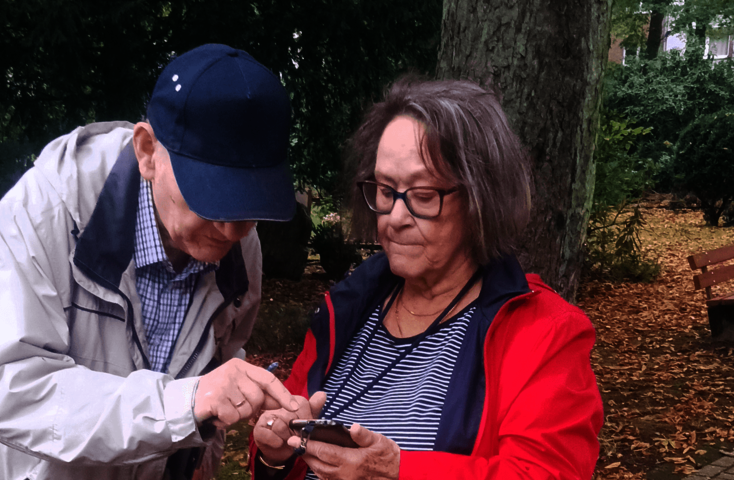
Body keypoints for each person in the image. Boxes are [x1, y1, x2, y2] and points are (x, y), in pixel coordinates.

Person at [0, 44, 305, 480]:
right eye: (214, 198)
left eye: (251, 206)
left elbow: (216, 382)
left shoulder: (242, 253)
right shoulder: (54, 207)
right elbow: (6, 384)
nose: (232, 231)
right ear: (147, 152)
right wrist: (181, 403)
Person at [249, 77, 604, 480]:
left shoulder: (543, 334)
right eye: (384, 190)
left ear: (481, 200)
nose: (395, 217)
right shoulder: (344, 310)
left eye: (421, 195)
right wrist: (276, 456)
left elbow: (545, 472)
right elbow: (285, 458)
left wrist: (400, 472)